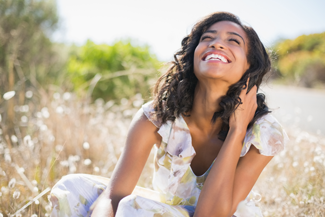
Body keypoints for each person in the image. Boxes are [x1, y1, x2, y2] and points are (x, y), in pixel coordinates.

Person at [49, 11, 289, 217]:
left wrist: (237, 131)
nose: (217, 43)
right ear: (194, 54)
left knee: (134, 209)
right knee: (73, 188)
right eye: (207, 38)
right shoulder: (157, 116)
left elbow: (211, 215)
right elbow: (113, 197)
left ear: (250, 65)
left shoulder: (263, 132)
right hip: (169, 211)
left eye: (233, 41)